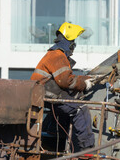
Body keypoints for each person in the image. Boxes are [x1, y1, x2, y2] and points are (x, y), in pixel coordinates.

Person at [30, 22, 96, 150]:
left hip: (43, 93)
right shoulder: (58, 55)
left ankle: (52, 129)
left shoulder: (53, 54)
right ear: (69, 43)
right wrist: (84, 84)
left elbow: (66, 77)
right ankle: (87, 147)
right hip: (48, 93)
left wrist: (87, 79)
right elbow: (66, 81)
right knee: (80, 109)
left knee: (66, 105)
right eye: (74, 43)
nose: (74, 47)